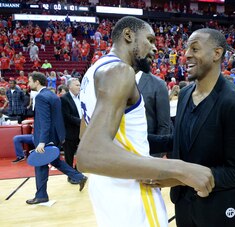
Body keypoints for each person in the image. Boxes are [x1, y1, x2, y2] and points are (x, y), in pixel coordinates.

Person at [77, 16, 214, 227]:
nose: (154, 48)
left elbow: (84, 136)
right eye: (149, 40)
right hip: (131, 188)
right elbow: (88, 155)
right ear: (129, 35)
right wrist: (181, 169)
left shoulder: (92, 72)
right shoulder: (119, 71)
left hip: (106, 187)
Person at [169, 28, 235, 226]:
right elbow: (181, 140)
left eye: (195, 49)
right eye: (186, 49)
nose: (186, 54)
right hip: (183, 204)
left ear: (217, 54)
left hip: (219, 210)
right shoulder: (184, 94)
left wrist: (188, 176)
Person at [26, 72, 87, 205]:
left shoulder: (41, 97)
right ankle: (79, 176)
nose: (28, 83)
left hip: (46, 137)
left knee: (40, 165)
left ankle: (41, 195)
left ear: (37, 82)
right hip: (56, 136)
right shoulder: (52, 95)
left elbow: (45, 121)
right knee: (55, 162)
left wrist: (42, 141)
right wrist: (61, 137)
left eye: (30, 81)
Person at [136, 66, 171, 157]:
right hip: (120, 152)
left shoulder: (158, 84)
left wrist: (156, 156)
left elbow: (164, 125)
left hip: (146, 153)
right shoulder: (115, 81)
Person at [60, 78, 82, 171]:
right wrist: (82, 122)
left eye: (79, 85)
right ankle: (70, 175)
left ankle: (77, 171)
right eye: (77, 85)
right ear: (69, 87)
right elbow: (66, 116)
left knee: (81, 153)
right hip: (70, 132)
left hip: (81, 131)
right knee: (69, 156)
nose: (79, 87)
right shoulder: (64, 99)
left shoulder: (82, 97)